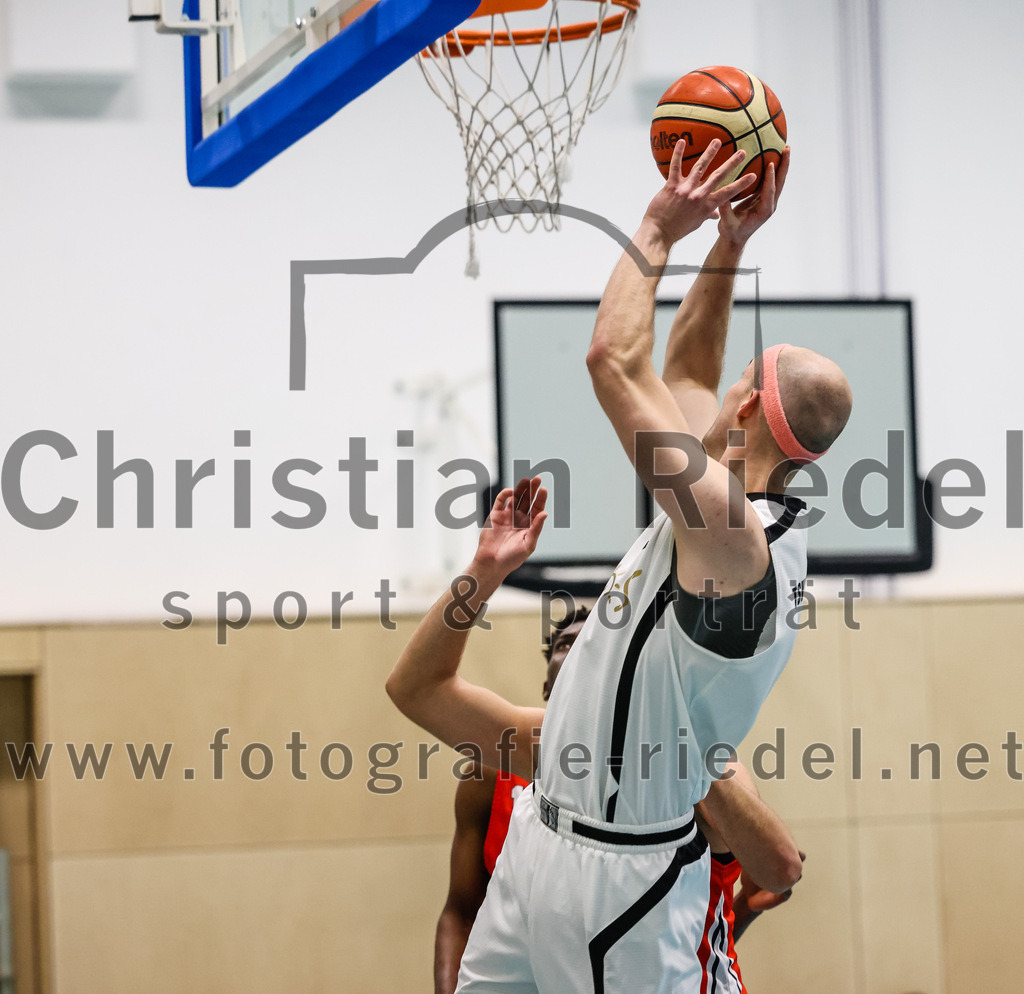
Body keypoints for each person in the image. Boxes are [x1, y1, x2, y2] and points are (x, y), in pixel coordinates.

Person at [390, 137, 851, 992]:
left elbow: (615, 361)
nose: (709, 393)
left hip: (621, 877)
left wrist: (657, 226)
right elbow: (682, 373)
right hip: (542, 844)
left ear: (749, 405)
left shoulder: (733, 539)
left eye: (734, 385)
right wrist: (730, 246)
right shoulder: (723, 511)